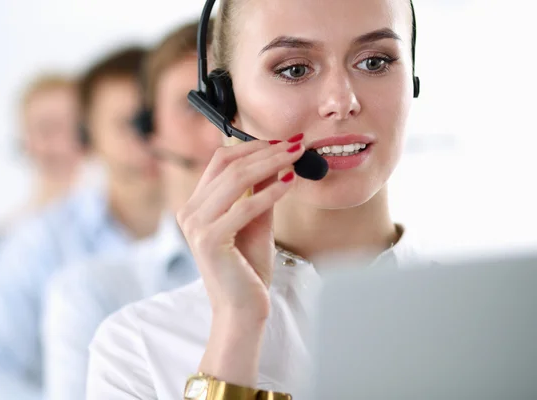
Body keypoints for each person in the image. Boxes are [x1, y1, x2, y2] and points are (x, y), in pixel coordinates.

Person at [87, 0, 425, 398]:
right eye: (294, 69)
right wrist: (237, 327)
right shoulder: (137, 349)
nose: (342, 101)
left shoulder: (492, 315)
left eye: (375, 62)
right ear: (223, 102)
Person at [0, 46, 162, 400]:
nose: (150, 140)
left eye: (157, 119)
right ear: (88, 140)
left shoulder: (229, 234)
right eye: (128, 125)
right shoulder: (37, 244)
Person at [41, 20, 221, 400]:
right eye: (193, 106)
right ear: (149, 130)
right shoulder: (92, 293)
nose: (218, 129)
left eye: (229, 103)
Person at [0, 74, 84, 322]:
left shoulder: (128, 238)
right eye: (48, 128)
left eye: (76, 127)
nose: (65, 142)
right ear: (25, 141)